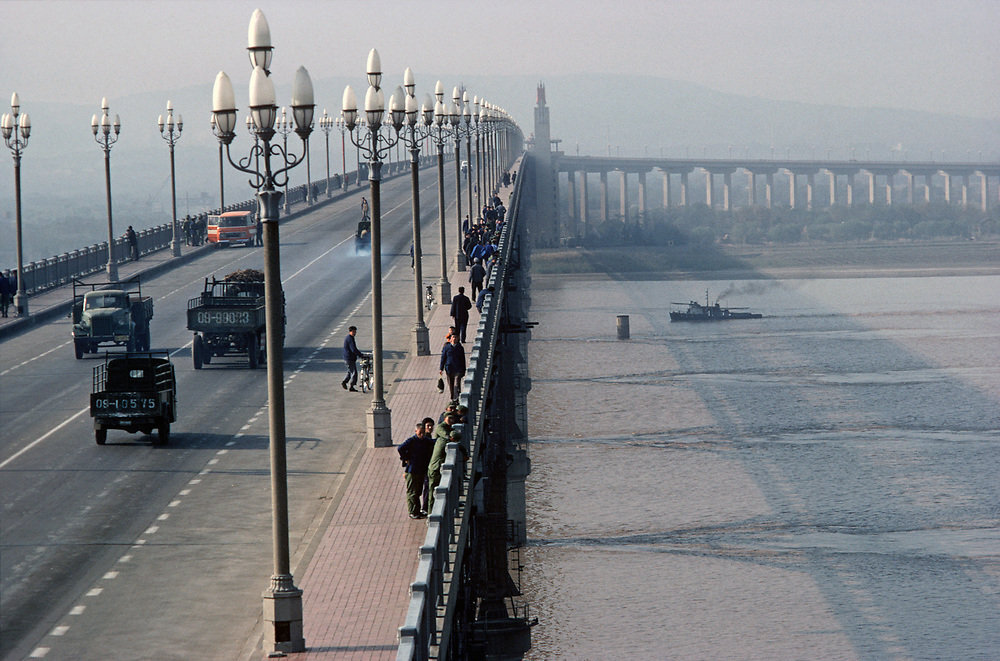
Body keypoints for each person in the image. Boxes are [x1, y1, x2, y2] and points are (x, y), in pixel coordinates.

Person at [397, 421, 434, 519]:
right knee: (412, 492)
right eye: (419, 433)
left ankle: (418, 511)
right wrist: (405, 458)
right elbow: (400, 448)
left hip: (421, 470)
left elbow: (434, 442)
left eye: (423, 432)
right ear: (415, 431)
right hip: (412, 470)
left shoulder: (425, 440)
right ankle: (412, 511)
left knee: (418, 492)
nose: (421, 435)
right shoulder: (411, 440)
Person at [427, 411, 460, 513]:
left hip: (438, 468)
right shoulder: (442, 432)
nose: (451, 421)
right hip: (435, 468)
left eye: (452, 419)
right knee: (433, 493)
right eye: (449, 419)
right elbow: (447, 437)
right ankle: (430, 512)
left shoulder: (448, 431)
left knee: (437, 492)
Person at [439, 333, 466, 400]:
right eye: (453, 337)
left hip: (458, 368)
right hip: (449, 368)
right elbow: (443, 358)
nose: (454, 339)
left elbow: (463, 359)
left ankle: (457, 396)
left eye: (456, 337)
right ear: (450, 339)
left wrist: (464, 369)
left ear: (458, 339)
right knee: (451, 384)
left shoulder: (460, 348)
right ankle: (453, 397)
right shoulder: (446, 348)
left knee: (457, 382)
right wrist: (441, 368)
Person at [341, 326, 365, 391]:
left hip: (348, 358)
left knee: (350, 371)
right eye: (353, 332)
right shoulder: (350, 339)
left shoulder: (350, 338)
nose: (355, 333)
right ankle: (352, 386)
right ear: (350, 331)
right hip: (349, 358)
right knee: (354, 373)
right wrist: (361, 355)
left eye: (355, 331)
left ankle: (345, 382)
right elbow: (353, 349)